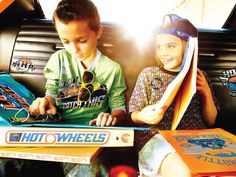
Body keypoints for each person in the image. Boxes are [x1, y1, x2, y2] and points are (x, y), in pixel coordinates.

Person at [129, 14, 219, 177]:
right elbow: (133, 115)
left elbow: (211, 120)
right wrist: (142, 116)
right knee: (183, 169)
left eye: (171, 46)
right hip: (157, 140)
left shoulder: (200, 76)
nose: (163, 52)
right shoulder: (149, 74)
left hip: (198, 140)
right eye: (159, 47)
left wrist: (206, 92)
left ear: (188, 47)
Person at [29, 0, 127, 127]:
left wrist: (112, 117)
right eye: (66, 42)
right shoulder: (57, 60)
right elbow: (51, 95)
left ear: (98, 32)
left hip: (94, 129)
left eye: (82, 41)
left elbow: (118, 107)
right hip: (59, 128)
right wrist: (44, 103)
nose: (74, 49)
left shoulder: (112, 69)